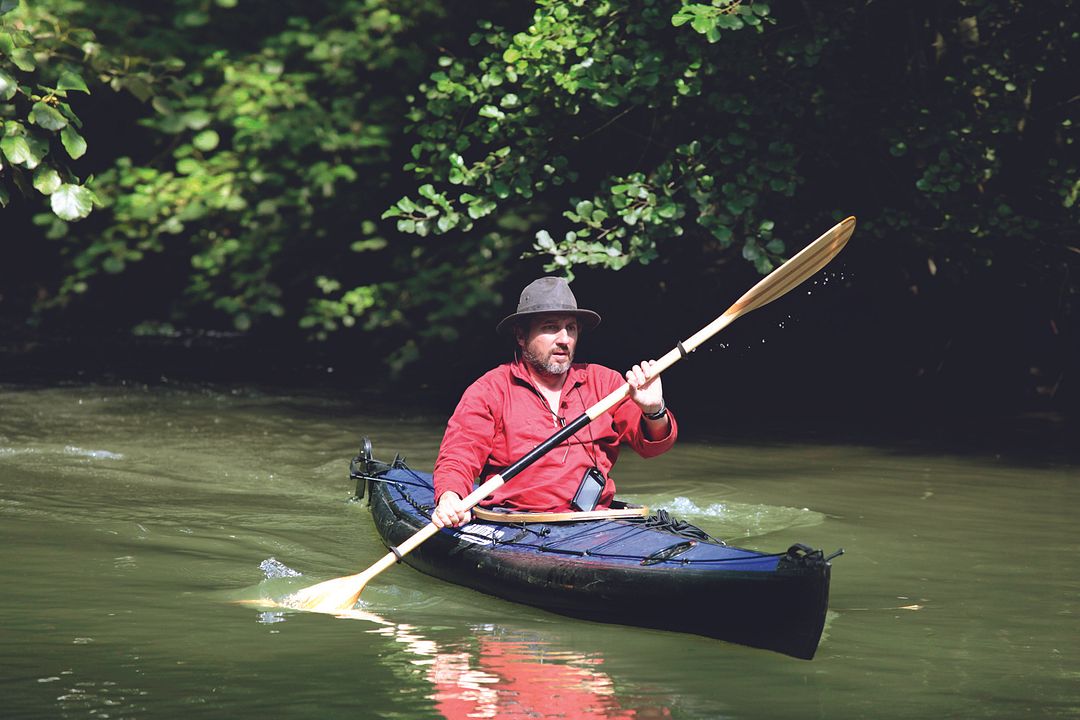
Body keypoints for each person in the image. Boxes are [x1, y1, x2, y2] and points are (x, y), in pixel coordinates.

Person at [431, 276, 677, 528]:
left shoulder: (606, 383)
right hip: (515, 524)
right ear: (521, 335)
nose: (564, 339)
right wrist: (450, 497)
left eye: (571, 328)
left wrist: (654, 411)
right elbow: (459, 456)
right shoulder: (489, 390)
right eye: (550, 327)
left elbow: (653, 447)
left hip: (594, 522)